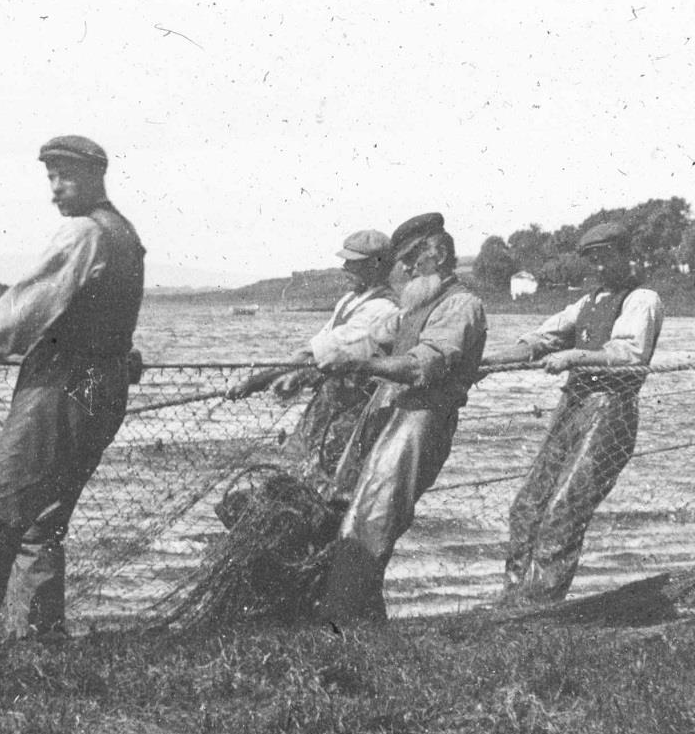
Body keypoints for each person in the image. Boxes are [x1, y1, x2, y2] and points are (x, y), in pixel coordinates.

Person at [0, 135, 146, 649]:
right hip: (103, 384)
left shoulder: (84, 233)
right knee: (45, 516)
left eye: (64, 176)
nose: (55, 189)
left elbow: (26, 303)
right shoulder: (126, 234)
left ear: (95, 175)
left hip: (65, 383)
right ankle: (38, 640)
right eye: (50, 177)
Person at [319, 213, 488, 625]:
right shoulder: (416, 306)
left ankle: (348, 627)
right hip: (391, 413)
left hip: (422, 419)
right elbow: (381, 345)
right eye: (403, 260)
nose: (406, 268)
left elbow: (424, 366)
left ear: (441, 253)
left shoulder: (461, 304)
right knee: (356, 515)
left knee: (372, 521)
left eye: (414, 257)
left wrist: (361, 366)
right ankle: (363, 625)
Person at [485, 222, 666, 606]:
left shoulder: (641, 300)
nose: (598, 267)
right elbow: (543, 338)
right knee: (527, 505)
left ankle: (540, 607)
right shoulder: (587, 303)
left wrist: (574, 357)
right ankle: (513, 601)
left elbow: (627, 355)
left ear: (625, 256)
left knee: (563, 510)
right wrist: (490, 361)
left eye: (605, 258)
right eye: (592, 259)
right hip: (574, 404)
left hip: (610, 410)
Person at [227, 229, 401, 495]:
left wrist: (258, 381)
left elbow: (322, 355)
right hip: (329, 402)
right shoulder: (350, 300)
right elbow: (313, 346)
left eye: (353, 262)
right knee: (299, 467)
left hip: (354, 411)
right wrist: (282, 376)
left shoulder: (382, 310)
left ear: (376, 266)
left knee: (331, 481)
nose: (345, 267)